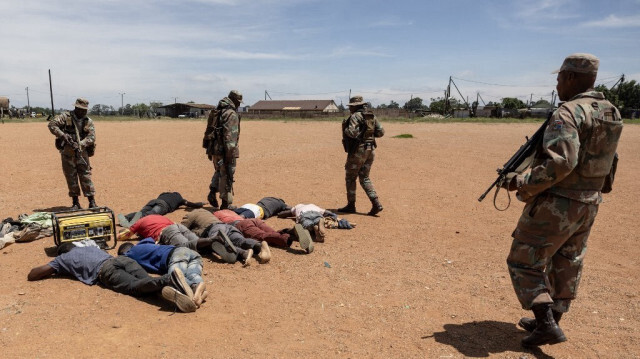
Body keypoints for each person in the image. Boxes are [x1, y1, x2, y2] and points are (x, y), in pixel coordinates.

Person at [501, 53, 623, 347]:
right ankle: (552, 319)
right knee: (567, 260)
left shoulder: (568, 112)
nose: (557, 85)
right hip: (589, 201)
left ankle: (545, 324)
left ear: (570, 77)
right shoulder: (610, 112)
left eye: (558, 78)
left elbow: (562, 163)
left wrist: (521, 182)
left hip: (558, 202)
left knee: (524, 260)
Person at [27, 243, 196, 312]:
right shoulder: (90, 246)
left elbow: (33, 275)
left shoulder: (63, 259)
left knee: (135, 287)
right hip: (121, 259)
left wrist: (57, 266)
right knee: (146, 282)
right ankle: (175, 288)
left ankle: (168, 279)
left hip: (106, 270)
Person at [118, 239, 207, 307]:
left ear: (124, 253)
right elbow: (151, 239)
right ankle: (200, 291)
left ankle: (193, 286)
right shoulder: (144, 243)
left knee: (175, 277)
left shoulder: (129, 254)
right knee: (192, 274)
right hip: (190, 253)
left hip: (176, 255)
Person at [337, 95, 385, 216]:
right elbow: (380, 132)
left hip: (358, 150)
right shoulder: (371, 116)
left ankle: (351, 205)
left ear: (355, 106)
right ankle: (376, 203)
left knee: (350, 177)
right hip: (370, 150)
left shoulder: (355, 116)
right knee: (364, 177)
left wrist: (346, 129)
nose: (350, 109)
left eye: (351, 107)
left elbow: (351, 133)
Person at [48, 98, 98, 210]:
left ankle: (92, 202)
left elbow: (92, 137)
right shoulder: (65, 117)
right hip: (67, 153)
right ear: (76, 108)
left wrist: (80, 144)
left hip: (82, 153)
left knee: (86, 176)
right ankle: (75, 203)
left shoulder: (88, 121)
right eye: (80, 109)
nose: (82, 112)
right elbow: (52, 125)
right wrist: (63, 135)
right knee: (71, 177)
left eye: (85, 110)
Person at [181, 209, 271, 264]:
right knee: (239, 240)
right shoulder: (207, 213)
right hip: (228, 226)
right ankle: (257, 245)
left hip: (213, 229)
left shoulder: (190, 215)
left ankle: (243, 253)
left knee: (217, 243)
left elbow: (182, 229)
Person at [204, 90, 243, 210]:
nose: (239, 105)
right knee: (227, 175)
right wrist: (229, 155)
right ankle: (225, 205)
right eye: (238, 102)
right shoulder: (231, 114)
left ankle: (212, 192)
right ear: (235, 100)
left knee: (219, 172)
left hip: (214, 150)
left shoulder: (218, 111)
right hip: (225, 151)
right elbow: (229, 136)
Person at [118, 191, 205, 227]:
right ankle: (134, 225)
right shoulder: (180, 199)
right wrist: (200, 204)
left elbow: (160, 195)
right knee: (149, 215)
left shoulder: (165, 193)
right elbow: (190, 204)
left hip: (154, 201)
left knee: (141, 212)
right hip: (163, 205)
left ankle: (126, 217)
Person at [214, 209, 291, 248]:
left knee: (263, 236)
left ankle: (289, 237)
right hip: (252, 220)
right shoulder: (230, 211)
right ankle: (288, 232)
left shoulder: (214, 215)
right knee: (273, 233)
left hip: (241, 224)